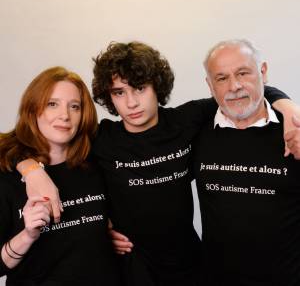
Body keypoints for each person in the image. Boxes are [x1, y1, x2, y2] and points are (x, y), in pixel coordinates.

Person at [19, 42, 297, 286]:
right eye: (119, 92)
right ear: (109, 97)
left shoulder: (187, 120)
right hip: (131, 270)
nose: (131, 102)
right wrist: (31, 170)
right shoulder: (101, 138)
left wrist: (288, 107)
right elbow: (28, 140)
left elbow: (241, 91)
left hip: (191, 268)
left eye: (140, 88)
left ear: (157, 86)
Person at [192, 39, 300, 285]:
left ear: (263, 72)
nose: (234, 86)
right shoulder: (196, 129)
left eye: (243, 73)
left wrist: (289, 108)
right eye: (221, 78)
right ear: (210, 86)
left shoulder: (293, 131)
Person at [0, 67, 121, 285]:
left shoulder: (96, 163)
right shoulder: (6, 177)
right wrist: (27, 236)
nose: (64, 115)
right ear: (33, 109)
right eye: (52, 104)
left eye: (74, 107)